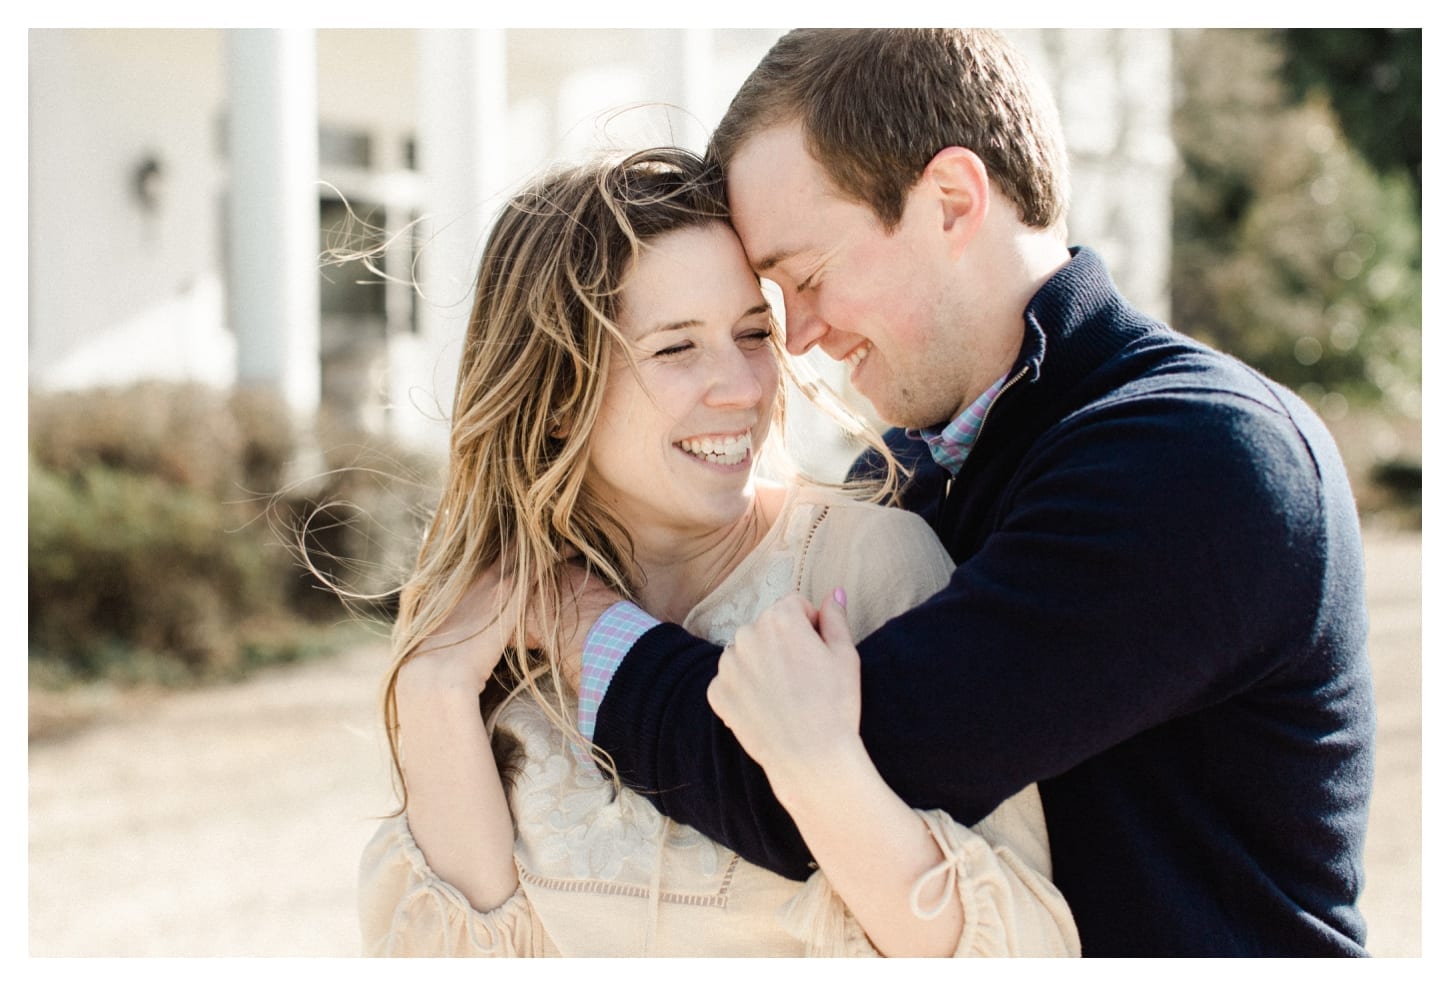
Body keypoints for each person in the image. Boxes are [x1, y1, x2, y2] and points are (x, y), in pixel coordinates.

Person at [550, 30, 1376, 956]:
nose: (802, 335)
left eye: (808, 277)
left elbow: (804, 785)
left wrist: (571, 618)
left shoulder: (1199, 462)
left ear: (950, 201)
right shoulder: (906, 472)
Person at [356, 147, 1080, 957]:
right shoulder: (484, 627)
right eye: (676, 349)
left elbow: (1026, 950)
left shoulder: (866, 568)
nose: (742, 386)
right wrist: (435, 691)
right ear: (558, 395)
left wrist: (823, 770)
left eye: (751, 333)